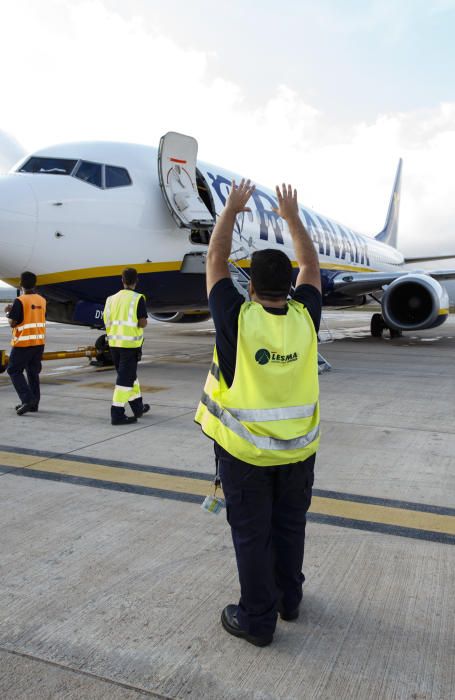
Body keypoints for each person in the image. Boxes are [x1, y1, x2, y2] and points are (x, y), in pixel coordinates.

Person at [195, 180, 322, 647]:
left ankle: (257, 620)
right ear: (290, 286)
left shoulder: (236, 317)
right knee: (291, 527)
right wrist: (291, 217)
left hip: (246, 457)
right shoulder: (307, 315)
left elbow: (214, 259)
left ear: (250, 285)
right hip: (298, 453)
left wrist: (229, 210)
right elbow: (310, 263)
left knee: (252, 538)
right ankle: (289, 600)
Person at [103, 268, 150, 425]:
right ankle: (117, 413)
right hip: (130, 345)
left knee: (129, 376)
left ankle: (138, 407)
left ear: (122, 280)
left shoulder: (111, 299)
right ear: (136, 281)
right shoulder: (138, 299)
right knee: (125, 379)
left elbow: (106, 320)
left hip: (114, 344)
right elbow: (142, 322)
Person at [5, 271, 46, 416]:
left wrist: (8, 313)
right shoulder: (42, 300)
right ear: (35, 284)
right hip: (39, 343)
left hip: (23, 344)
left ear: (21, 284)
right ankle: (34, 404)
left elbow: (13, 322)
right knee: (33, 373)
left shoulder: (20, 300)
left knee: (14, 370)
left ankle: (27, 399)